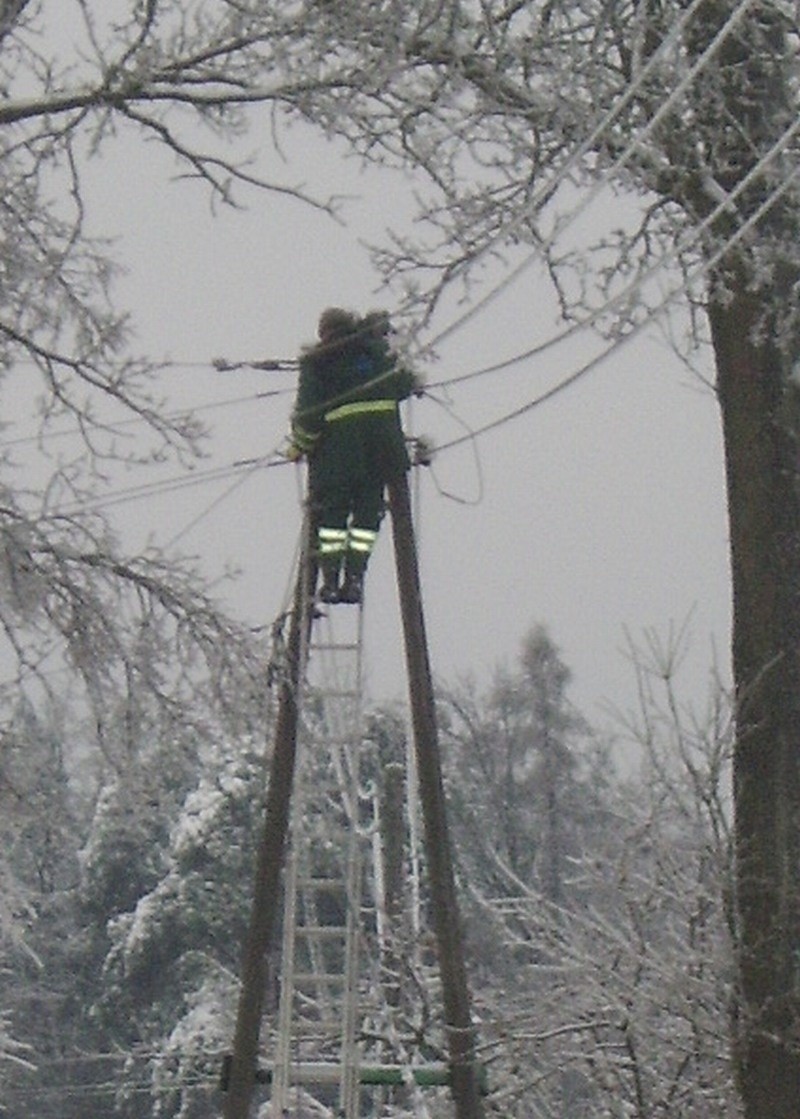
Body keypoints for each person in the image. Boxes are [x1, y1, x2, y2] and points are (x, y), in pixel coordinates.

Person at [286, 307, 416, 604]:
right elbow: (404, 383)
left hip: (338, 458)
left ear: (324, 331)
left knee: (333, 518)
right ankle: (355, 577)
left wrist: (300, 445)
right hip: (382, 454)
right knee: (367, 517)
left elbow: (309, 416)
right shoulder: (378, 355)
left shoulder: (318, 362)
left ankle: (331, 581)